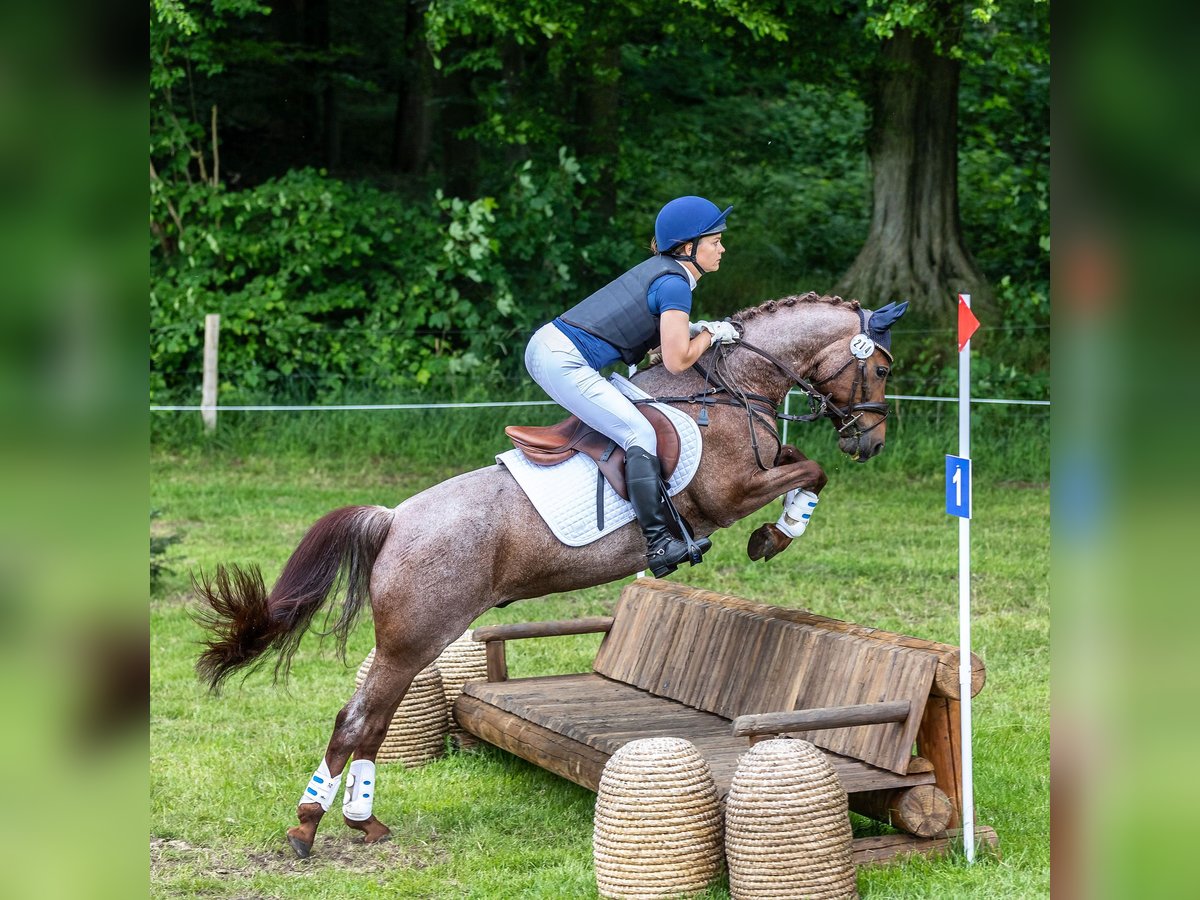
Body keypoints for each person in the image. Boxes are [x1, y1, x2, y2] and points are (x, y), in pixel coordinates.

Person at [524, 195, 740, 576]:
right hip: (563, 360)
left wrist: (699, 331)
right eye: (715, 240)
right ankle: (658, 545)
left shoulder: (666, 273)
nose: (722, 248)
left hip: (554, 348)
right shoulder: (675, 284)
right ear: (689, 247)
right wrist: (711, 333)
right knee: (638, 432)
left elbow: (661, 340)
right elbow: (677, 361)